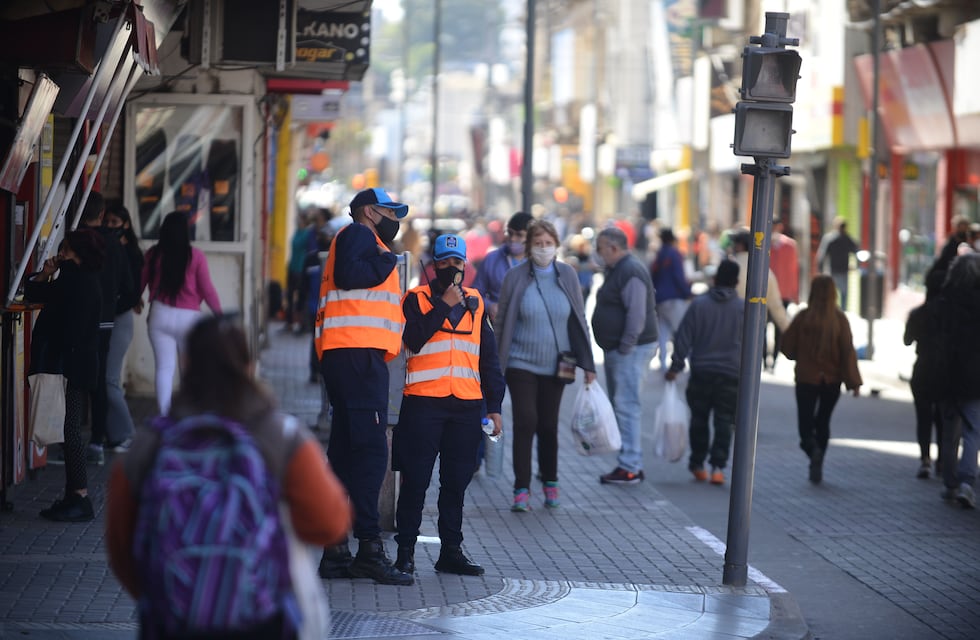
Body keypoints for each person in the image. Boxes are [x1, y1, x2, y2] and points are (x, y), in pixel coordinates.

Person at [105, 315, 351, 638]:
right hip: (261, 622)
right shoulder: (280, 437)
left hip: (173, 624)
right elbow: (330, 523)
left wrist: (180, 597)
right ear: (249, 366)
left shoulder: (150, 444)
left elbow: (121, 546)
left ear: (186, 364)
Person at [314, 187, 414, 586]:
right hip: (356, 358)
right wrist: (388, 260)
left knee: (343, 454)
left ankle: (335, 549)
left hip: (350, 357)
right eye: (391, 212)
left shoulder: (357, 240)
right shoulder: (359, 236)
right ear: (370, 212)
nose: (396, 221)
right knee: (373, 453)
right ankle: (369, 550)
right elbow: (350, 276)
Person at [392, 234, 506, 576]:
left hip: (466, 407)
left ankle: (451, 551)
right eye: (445, 263)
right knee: (415, 481)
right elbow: (412, 339)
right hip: (424, 404)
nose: (452, 269)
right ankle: (405, 553)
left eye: (458, 263)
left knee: (456, 483)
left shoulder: (476, 301)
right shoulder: (415, 298)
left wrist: (494, 406)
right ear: (433, 265)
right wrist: (443, 302)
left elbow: (489, 359)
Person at [496, 219, 596, 511]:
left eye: (548, 243)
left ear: (556, 246)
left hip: (557, 364)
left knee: (549, 425)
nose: (543, 249)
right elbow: (502, 323)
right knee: (526, 420)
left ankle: (550, 481)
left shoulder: (567, 275)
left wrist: (588, 363)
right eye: (537, 244)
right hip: (520, 363)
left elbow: (579, 320)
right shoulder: (515, 277)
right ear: (529, 247)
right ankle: (521, 488)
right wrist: (495, 366)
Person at [26, 229, 104, 521]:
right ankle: (74, 494)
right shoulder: (90, 277)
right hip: (80, 363)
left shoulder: (72, 278)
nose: (61, 255)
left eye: (67, 250)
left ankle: (80, 496)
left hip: (69, 365)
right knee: (69, 429)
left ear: (78, 253)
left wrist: (46, 273)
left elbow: (34, 291)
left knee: (70, 431)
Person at [665, 259, 743, 485]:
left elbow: (683, 337)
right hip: (730, 374)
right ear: (737, 282)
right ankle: (718, 467)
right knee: (724, 420)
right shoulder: (742, 308)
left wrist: (676, 366)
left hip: (701, 372)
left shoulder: (699, 305)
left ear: (715, 278)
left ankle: (697, 464)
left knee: (699, 419)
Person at [780, 275, 862, 484]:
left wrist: (802, 355)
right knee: (823, 422)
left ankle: (811, 449)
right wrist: (853, 382)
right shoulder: (839, 320)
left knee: (805, 425)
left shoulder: (803, 318)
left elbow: (787, 348)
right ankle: (819, 459)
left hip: (806, 378)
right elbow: (847, 352)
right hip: (832, 381)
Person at [591, 226, 658, 485]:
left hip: (631, 349)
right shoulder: (618, 269)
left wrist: (625, 347)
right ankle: (628, 463)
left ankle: (630, 465)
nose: (598, 253)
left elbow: (637, 314)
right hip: (621, 349)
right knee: (622, 405)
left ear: (614, 248)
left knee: (626, 405)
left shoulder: (630, 270)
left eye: (600, 248)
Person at [140, 211, 222, 416]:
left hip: (160, 314)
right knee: (190, 371)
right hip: (189, 319)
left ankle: (165, 418)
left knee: (164, 369)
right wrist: (220, 316)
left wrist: (133, 300)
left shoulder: (153, 254)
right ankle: (190, 415)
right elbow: (207, 290)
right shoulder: (195, 256)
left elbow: (139, 282)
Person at [78, 192, 135, 465]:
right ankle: (96, 441)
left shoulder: (75, 240)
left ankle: (71, 440)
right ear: (101, 215)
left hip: (76, 319)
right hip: (105, 321)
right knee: (99, 381)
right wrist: (113, 306)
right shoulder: (115, 245)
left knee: (74, 380)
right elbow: (128, 287)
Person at [934, 253, 980, 508]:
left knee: (949, 431)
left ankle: (950, 484)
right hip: (974, 377)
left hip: (949, 375)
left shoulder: (945, 301)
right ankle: (966, 483)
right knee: (974, 431)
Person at [103, 202, 144, 452]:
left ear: (126, 225)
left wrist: (110, 307)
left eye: (114, 224)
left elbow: (132, 293)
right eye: (106, 222)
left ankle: (126, 433)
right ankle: (113, 433)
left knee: (109, 379)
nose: (109, 227)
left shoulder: (131, 254)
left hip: (120, 319)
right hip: (111, 317)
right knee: (105, 378)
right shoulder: (109, 248)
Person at [903, 271, 945, 479]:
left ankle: (925, 459)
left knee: (923, 417)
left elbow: (907, 340)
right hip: (945, 371)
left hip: (922, 368)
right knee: (943, 418)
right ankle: (943, 460)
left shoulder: (918, 313)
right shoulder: (952, 315)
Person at [472, 211, 533, 322]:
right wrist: (489, 306)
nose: (513, 239)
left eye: (519, 235)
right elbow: (474, 293)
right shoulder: (491, 259)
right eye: (510, 233)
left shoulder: (538, 263)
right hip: (499, 325)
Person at [730, 230, 790, 335]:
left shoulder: (729, 268)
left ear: (740, 246)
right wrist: (789, 331)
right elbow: (776, 307)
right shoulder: (765, 272)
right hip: (757, 331)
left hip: (731, 328)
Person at [649, 228, 690, 369]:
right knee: (682, 331)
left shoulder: (659, 254)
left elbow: (653, 275)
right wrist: (687, 292)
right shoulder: (674, 254)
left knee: (663, 332)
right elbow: (679, 276)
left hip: (660, 298)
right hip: (673, 298)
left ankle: (662, 362)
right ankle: (686, 361)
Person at [766, 220, 799, 371]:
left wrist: (794, 293)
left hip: (783, 292)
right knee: (762, 326)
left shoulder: (790, 245)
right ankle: (763, 358)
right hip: (766, 291)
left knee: (780, 326)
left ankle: (775, 358)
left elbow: (794, 270)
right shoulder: (763, 242)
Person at [815, 217, 859, 309]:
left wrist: (820, 269)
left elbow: (822, 255)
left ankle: (833, 311)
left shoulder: (830, 239)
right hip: (842, 270)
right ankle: (841, 313)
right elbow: (857, 251)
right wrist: (856, 266)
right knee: (843, 294)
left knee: (832, 294)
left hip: (833, 270)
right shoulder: (847, 239)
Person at [285, 211, 312, 332]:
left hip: (301, 268)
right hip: (293, 266)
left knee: (301, 296)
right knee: (289, 296)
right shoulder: (297, 232)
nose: (298, 222)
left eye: (300, 219)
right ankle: (289, 322)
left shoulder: (307, 234)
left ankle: (302, 323)